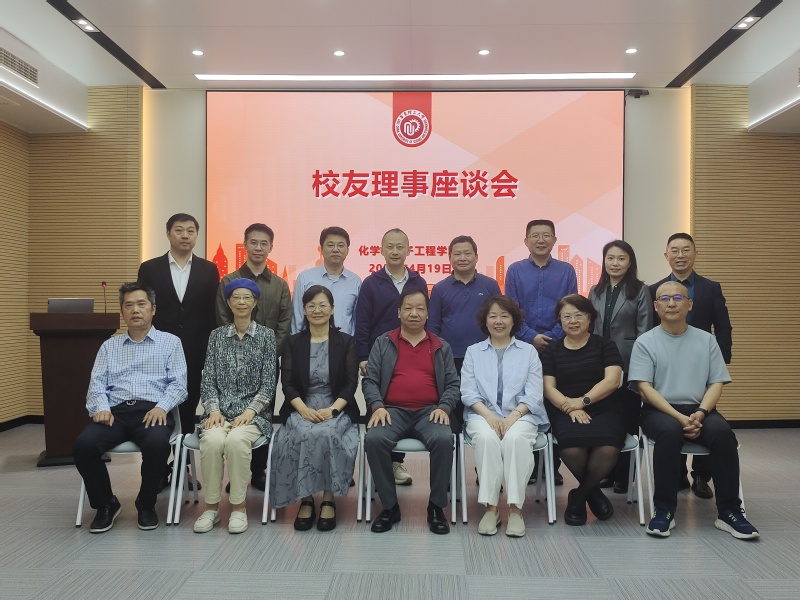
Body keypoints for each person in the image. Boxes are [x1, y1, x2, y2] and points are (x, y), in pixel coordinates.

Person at [629, 281, 758, 540]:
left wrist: (701, 412)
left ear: (690, 305)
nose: (672, 303)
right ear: (656, 306)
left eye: (678, 298)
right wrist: (678, 417)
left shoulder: (707, 340)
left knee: (723, 434)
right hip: (660, 410)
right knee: (669, 432)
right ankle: (664, 510)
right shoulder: (645, 342)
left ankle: (730, 512)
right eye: (665, 299)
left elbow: (716, 383)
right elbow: (645, 388)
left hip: (701, 409)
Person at [74, 282, 187, 533]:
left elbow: (179, 385)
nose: (135, 310)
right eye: (129, 305)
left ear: (153, 309)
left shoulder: (171, 343)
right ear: (122, 312)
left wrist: (162, 407)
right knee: (84, 445)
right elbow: (97, 384)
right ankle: (106, 504)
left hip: (152, 411)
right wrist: (101, 407)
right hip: (115, 413)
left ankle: (146, 504)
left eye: (141, 304)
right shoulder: (109, 346)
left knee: (157, 444)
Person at [363, 289, 460, 534]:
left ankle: (436, 507)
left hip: (430, 412)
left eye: (419, 308)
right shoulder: (384, 342)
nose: (413, 313)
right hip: (391, 411)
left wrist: (444, 407)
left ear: (427, 314)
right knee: (374, 440)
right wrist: (377, 406)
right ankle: (389, 507)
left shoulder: (440, 346)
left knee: (443, 439)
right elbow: (370, 380)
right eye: (408, 308)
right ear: (399, 312)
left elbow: (453, 384)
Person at [137, 213, 219, 488]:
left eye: (191, 231)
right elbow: (144, 306)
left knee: (186, 409)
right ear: (168, 233)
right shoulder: (150, 269)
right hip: (158, 351)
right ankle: (157, 469)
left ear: (197, 235)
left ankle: (182, 468)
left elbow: (212, 312)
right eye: (179, 230)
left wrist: (210, 350)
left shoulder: (208, 269)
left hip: (195, 350)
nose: (185, 235)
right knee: (156, 407)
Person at [649, 233, 732, 500]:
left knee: (705, 416)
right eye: (674, 250)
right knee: (670, 422)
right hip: (668, 366)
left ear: (695, 254)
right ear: (666, 256)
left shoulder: (711, 287)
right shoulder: (655, 289)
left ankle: (701, 476)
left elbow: (723, 326)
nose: (680, 255)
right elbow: (650, 329)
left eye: (686, 250)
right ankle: (676, 475)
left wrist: (719, 362)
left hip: (702, 365)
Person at [270, 285, 360, 532]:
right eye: (311, 305)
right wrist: (303, 410)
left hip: (336, 405)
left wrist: (333, 410)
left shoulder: (346, 342)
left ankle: (329, 498)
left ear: (332, 309)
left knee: (327, 432)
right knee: (301, 432)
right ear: (304, 310)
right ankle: (306, 499)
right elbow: (287, 384)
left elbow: (350, 384)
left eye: (323, 305)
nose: (317, 310)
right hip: (302, 405)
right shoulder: (293, 342)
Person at [460, 295, 549, 537]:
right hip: (482, 414)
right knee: (487, 438)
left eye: (504, 316)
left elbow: (534, 394)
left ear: (514, 321)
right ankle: (491, 509)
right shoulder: (473, 352)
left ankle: (515, 510)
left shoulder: (528, 352)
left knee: (515, 439)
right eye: (493, 316)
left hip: (522, 414)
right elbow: (468, 392)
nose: (498, 321)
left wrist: (512, 418)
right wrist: (489, 416)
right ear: (485, 321)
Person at [193, 278, 276, 534]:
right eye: (236, 297)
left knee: (237, 441)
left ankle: (239, 508)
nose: (241, 302)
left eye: (247, 297)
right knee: (212, 441)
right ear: (228, 303)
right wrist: (213, 410)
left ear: (255, 302)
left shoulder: (267, 336)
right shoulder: (216, 336)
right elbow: (208, 379)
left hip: (253, 415)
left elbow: (269, 383)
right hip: (219, 413)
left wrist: (250, 411)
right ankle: (211, 508)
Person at [216, 223, 290, 490]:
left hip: (267, 364)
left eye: (264, 243)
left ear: (271, 247)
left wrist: (268, 357)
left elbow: (284, 324)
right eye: (254, 242)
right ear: (245, 244)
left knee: (263, 413)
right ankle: (236, 472)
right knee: (231, 413)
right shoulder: (228, 281)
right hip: (232, 362)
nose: (258, 248)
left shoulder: (280, 285)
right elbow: (223, 320)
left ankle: (258, 470)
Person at [540, 294, 625, 526]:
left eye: (579, 315)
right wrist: (570, 407)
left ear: (590, 318)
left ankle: (578, 497)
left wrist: (583, 401)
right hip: (565, 409)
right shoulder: (551, 350)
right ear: (560, 320)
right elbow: (548, 388)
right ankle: (593, 493)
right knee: (571, 449)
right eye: (566, 316)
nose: (573, 321)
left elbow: (612, 381)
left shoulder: (605, 345)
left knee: (608, 448)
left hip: (605, 408)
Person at [506, 219, 578, 484]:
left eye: (546, 235)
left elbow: (571, 307)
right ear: (526, 241)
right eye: (535, 235)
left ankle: (551, 466)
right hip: (523, 346)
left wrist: (554, 337)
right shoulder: (515, 270)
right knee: (525, 401)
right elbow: (511, 309)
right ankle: (530, 465)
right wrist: (530, 336)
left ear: (554, 240)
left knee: (554, 401)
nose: (540, 240)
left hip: (558, 346)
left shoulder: (566, 270)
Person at [355, 228, 428, 486]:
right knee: (379, 406)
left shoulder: (418, 281)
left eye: (400, 247)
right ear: (381, 250)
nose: (395, 251)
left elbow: (424, 317)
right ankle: (380, 465)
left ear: (409, 250)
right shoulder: (371, 283)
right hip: (379, 354)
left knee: (403, 404)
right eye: (390, 247)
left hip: (411, 353)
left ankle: (395, 463)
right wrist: (362, 355)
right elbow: (362, 322)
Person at [588, 240, 652, 493]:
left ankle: (625, 476)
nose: (615, 263)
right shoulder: (596, 290)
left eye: (621, 258)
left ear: (630, 262)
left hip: (629, 363)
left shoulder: (640, 290)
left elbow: (645, 332)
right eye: (610, 258)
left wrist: (639, 368)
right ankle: (607, 471)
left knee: (628, 419)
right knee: (606, 419)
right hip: (600, 364)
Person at [428, 235, 501, 373]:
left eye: (467, 253)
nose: (462, 258)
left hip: (486, 354)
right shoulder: (439, 288)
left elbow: (500, 319)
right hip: (450, 357)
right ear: (450, 258)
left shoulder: (490, 285)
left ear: (476, 257)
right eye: (457, 254)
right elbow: (433, 325)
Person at [291, 226, 361, 336]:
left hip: (345, 344)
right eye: (330, 245)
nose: (335, 249)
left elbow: (358, 320)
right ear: (321, 249)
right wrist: (297, 342)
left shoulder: (355, 281)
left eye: (340, 245)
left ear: (347, 251)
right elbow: (297, 317)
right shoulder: (305, 278)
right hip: (310, 342)